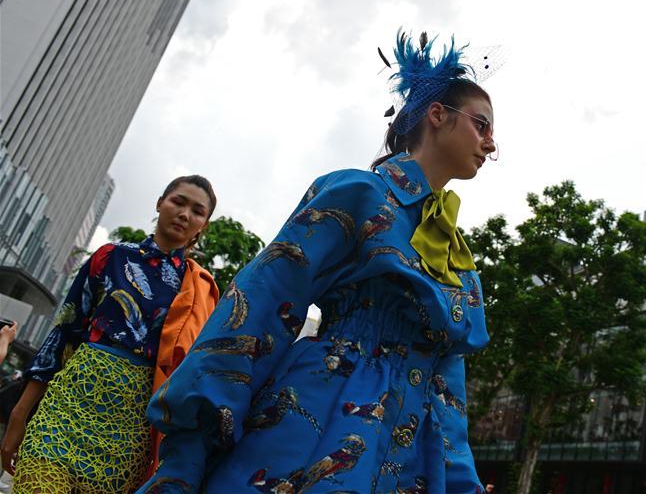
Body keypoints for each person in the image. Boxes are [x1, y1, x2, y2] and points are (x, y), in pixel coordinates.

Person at [137, 31, 498, 493]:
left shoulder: (455, 253)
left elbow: (448, 383)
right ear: (437, 114)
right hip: (319, 419)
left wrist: (461, 481)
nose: (490, 144)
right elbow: (265, 300)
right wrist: (193, 441)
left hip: (412, 458)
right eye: (482, 125)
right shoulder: (359, 193)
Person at [1, 176, 220, 493]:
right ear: (160, 203)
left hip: (130, 432)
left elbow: (193, 374)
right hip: (66, 408)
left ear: (203, 225)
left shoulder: (201, 289)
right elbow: (63, 334)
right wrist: (19, 414)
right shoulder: (110, 257)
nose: (185, 214)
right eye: (178, 202)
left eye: (198, 211)